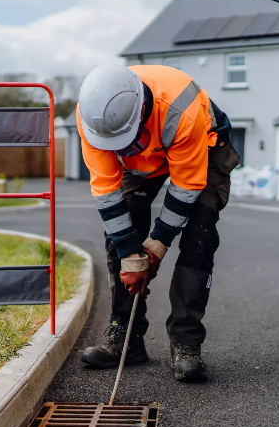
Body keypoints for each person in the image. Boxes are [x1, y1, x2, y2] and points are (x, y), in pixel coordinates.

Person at [78, 64, 240, 382]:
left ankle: (186, 343)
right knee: (120, 235)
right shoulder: (92, 119)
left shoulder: (183, 111)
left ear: (141, 112)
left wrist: (156, 247)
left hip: (202, 147)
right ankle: (126, 338)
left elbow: (185, 188)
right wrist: (130, 255)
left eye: (126, 141)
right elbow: (107, 193)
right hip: (145, 161)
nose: (120, 149)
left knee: (199, 235)